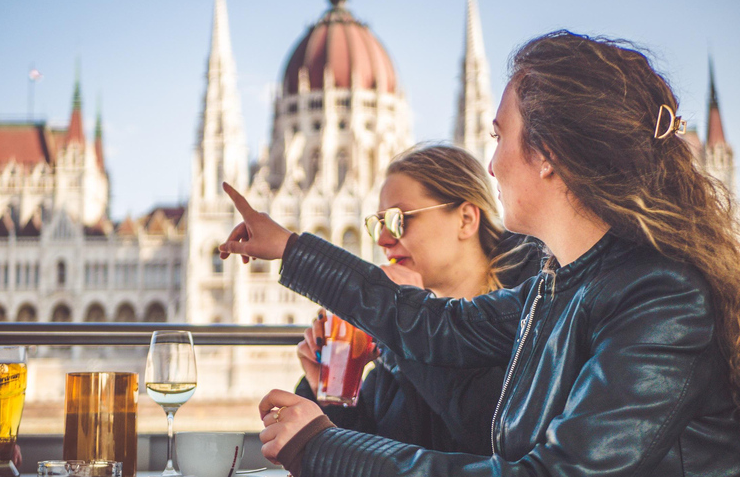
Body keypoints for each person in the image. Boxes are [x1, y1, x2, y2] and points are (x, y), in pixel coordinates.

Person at [220, 30, 740, 476]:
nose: (489, 166)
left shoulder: (664, 299)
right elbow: (432, 324)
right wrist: (290, 249)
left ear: (549, 157)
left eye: (498, 137)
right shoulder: (557, 286)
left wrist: (323, 446)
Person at [294, 144, 540, 455]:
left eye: (399, 219)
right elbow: (377, 453)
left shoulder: (534, 307)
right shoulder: (394, 338)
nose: (384, 240)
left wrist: (407, 316)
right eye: (378, 224)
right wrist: (334, 399)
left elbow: (496, 438)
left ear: (465, 219)